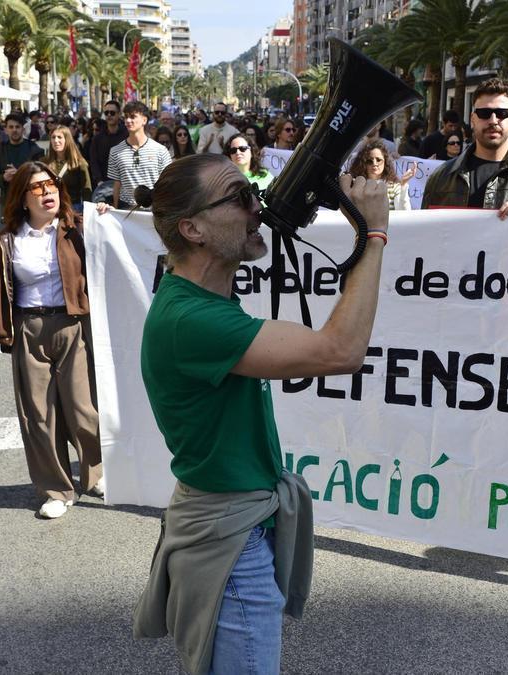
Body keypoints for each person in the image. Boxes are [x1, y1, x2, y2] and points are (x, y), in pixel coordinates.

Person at [131, 153, 389, 674]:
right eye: (241, 197)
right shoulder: (191, 319)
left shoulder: (203, 298)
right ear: (193, 228)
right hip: (230, 541)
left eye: (254, 190)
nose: (258, 207)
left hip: (237, 523)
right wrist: (375, 233)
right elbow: (340, 351)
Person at [0, 162, 101, 519]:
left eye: (51, 184)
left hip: (73, 327)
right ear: (23, 198)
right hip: (28, 330)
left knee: (84, 410)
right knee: (39, 416)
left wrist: (107, 218)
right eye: (38, 187)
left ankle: (96, 472)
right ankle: (56, 488)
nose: (48, 191)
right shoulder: (8, 241)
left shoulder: (78, 230)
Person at [421, 78, 508, 215]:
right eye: (484, 113)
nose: (493, 121)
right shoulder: (441, 177)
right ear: (473, 119)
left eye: (502, 113)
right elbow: (426, 232)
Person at [107, 101, 172, 209]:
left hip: (154, 210)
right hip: (126, 209)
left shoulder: (160, 150)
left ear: (144, 120)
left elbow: (167, 183)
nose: (128, 120)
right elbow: (117, 184)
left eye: (133, 117)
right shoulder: (115, 151)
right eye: (126, 117)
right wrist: (116, 209)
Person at [0, 112, 45, 200]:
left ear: (23, 130)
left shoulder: (34, 149)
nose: (14, 130)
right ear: (6, 130)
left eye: (17, 127)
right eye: (11, 127)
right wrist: (3, 178)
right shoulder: (0, 149)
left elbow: (41, 176)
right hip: (8, 200)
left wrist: (19, 174)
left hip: (29, 198)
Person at [348, 138, 410, 210]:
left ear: (385, 162)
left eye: (378, 160)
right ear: (363, 164)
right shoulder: (356, 186)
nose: (375, 164)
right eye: (369, 161)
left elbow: (404, 212)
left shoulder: (395, 187)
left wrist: (404, 185)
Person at [45, 126, 92, 211]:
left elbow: (86, 190)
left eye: (59, 137)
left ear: (67, 140)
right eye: (53, 137)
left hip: (73, 208)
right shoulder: (45, 162)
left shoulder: (79, 163)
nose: (56, 140)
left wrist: (87, 212)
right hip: (51, 208)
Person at [89, 100, 128, 187]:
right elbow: (94, 161)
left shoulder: (127, 135)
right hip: (103, 185)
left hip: (124, 185)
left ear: (119, 114)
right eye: (106, 113)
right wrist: (99, 181)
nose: (109, 115)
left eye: (112, 113)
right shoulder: (97, 138)